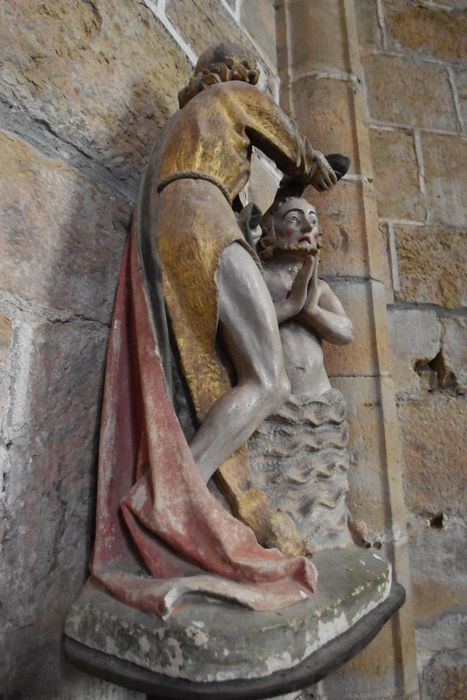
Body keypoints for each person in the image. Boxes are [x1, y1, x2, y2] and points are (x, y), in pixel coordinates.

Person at [91, 45, 343, 616]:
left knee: (216, 371)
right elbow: (293, 147)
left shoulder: (178, 129)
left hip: (174, 225)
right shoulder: (232, 97)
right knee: (268, 381)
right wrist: (315, 168)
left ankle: (177, 493)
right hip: (205, 219)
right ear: (233, 75)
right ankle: (172, 495)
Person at [249, 197, 354, 549]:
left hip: (320, 409)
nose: (308, 227)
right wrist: (292, 306)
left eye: (313, 219)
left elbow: (346, 332)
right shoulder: (259, 278)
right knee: (280, 487)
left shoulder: (319, 288)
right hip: (280, 407)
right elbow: (246, 323)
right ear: (270, 231)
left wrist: (311, 312)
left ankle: (329, 539)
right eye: (295, 219)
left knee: (324, 489)